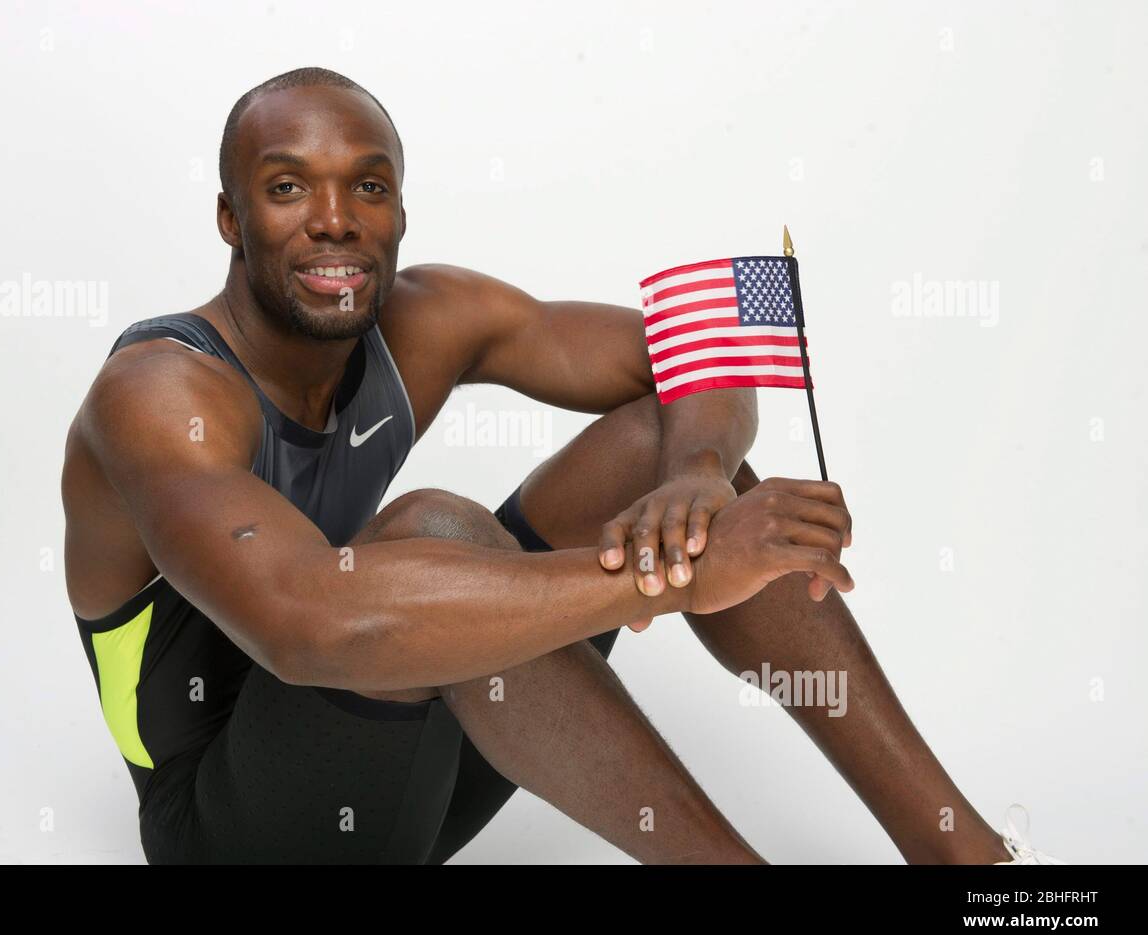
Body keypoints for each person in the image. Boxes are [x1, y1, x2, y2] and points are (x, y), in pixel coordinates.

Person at [61, 66, 1062, 865]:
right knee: (433, 531)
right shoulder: (159, 395)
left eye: (367, 186)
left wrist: (700, 479)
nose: (334, 219)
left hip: (404, 768)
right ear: (231, 220)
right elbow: (308, 623)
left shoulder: (429, 313)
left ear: (400, 211)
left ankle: (966, 863)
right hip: (236, 826)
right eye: (287, 188)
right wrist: (664, 574)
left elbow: (692, 348)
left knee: (648, 450)